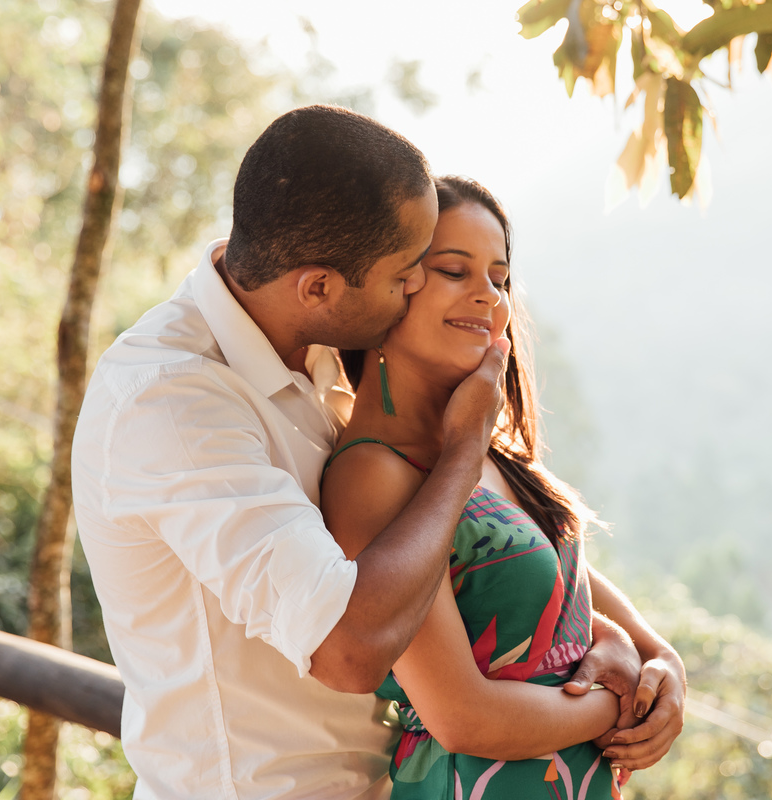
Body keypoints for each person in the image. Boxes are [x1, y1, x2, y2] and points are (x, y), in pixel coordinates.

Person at [70, 105, 678, 800]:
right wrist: (461, 451)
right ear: (320, 287)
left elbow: (489, 567)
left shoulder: (307, 336)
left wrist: (644, 651)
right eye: (406, 276)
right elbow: (349, 647)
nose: (416, 289)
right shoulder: (170, 405)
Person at [320, 176, 684, 797]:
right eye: (455, 270)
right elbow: (461, 715)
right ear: (389, 288)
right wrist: (612, 702)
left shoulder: (487, 455)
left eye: (499, 277)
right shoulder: (374, 475)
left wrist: (659, 662)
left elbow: (553, 582)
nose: (488, 295)